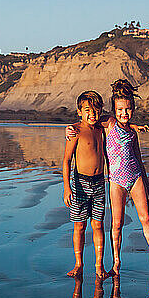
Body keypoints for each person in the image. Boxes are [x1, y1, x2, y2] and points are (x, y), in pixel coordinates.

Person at [67, 80, 149, 276]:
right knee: (117, 223)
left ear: (133, 109)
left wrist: (146, 183)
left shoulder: (132, 133)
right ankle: (116, 263)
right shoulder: (109, 123)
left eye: (128, 109)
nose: (124, 113)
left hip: (135, 176)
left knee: (146, 218)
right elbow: (89, 119)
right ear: (114, 110)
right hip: (115, 181)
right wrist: (69, 128)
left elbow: (139, 159)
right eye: (120, 109)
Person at [63, 91, 107, 279]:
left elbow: (118, 121)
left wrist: (136, 126)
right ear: (79, 112)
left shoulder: (101, 128)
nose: (92, 114)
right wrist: (67, 187)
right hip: (80, 183)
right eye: (87, 110)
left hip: (99, 183)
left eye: (96, 110)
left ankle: (99, 266)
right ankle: (79, 264)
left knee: (98, 225)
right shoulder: (75, 131)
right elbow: (66, 161)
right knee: (79, 226)